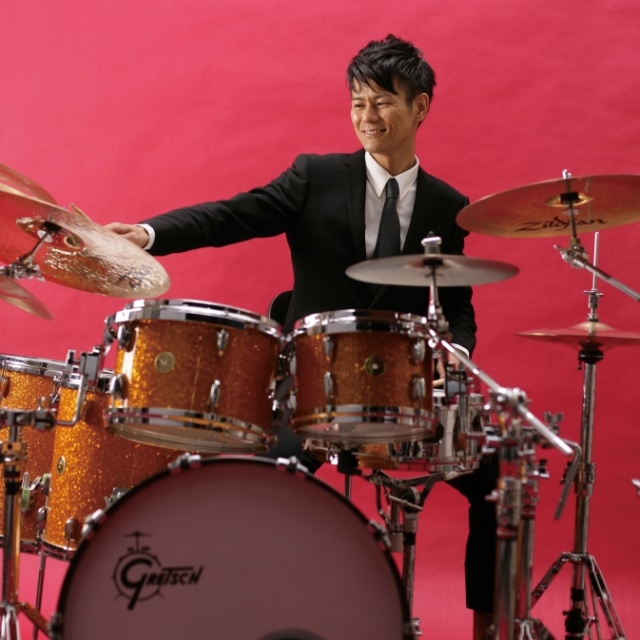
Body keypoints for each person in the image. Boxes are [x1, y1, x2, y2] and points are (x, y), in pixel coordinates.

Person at [107, 34, 495, 639]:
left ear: (420, 107)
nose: (367, 116)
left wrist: (457, 352)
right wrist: (150, 234)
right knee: (260, 490)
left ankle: (491, 628)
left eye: (382, 102)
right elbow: (231, 215)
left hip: (401, 399)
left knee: (495, 478)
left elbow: (459, 306)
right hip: (309, 390)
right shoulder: (315, 177)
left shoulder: (448, 206)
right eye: (357, 102)